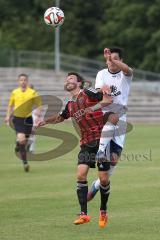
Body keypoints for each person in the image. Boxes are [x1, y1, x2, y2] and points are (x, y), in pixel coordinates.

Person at [36, 72, 115, 228]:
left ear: (79, 83)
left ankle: (103, 210)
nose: (68, 81)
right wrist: (45, 121)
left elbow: (107, 99)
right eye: (67, 79)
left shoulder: (87, 93)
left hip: (102, 140)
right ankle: (84, 214)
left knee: (104, 179)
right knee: (80, 174)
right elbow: (60, 117)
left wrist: (94, 106)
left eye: (71, 79)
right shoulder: (70, 105)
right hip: (86, 143)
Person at [87, 47, 133, 201]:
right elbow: (101, 93)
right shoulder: (101, 73)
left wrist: (114, 61)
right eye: (108, 59)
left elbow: (128, 70)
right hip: (105, 115)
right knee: (112, 115)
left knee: (112, 163)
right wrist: (101, 94)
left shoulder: (124, 75)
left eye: (115, 59)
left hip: (121, 118)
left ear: (120, 60)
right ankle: (100, 150)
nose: (111, 62)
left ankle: (98, 184)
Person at [5, 74, 41, 172]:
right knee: (22, 139)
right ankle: (25, 163)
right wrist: (8, 116)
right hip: (18, 119)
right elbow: (10, 105)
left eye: (25, 80)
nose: (23, 82)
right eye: (21, 80)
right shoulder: (15, 92)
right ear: (18, 82)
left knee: (24, 140)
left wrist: (38, 112)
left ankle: (17, 146)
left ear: (27, 81)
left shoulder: (32, 92)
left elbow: (38, 104)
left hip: (28, 119)